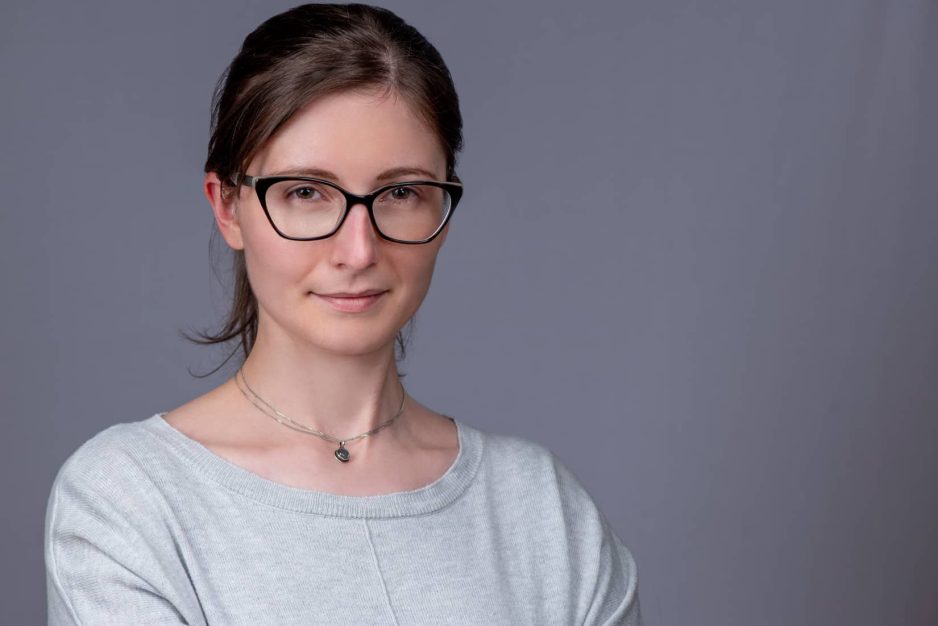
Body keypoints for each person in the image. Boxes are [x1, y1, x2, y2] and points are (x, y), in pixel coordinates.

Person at [43, 4, 642, 624]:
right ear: (228, 207)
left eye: (402, 193)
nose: (358, 251)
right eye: (306, 193)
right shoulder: (130, 500)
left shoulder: (541, 510)